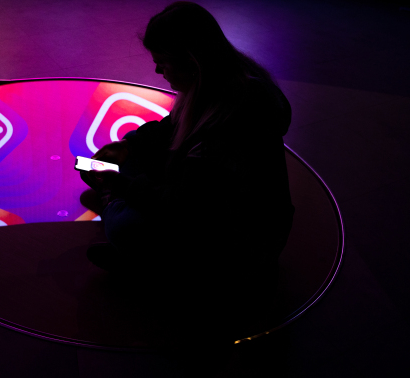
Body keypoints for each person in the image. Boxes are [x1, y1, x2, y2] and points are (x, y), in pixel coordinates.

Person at [80, 1, 294, 371]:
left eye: (163, 60)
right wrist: (130, 145)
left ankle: (127, 230)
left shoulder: (226, 129)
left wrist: (120, 186)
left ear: (192, 60)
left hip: (233, 251)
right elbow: (169, 129)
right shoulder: (224, 84)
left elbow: (185, 208)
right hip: (225, 213)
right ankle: (126, 222)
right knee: (133, 162)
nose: (157, 69)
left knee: (126, 227)